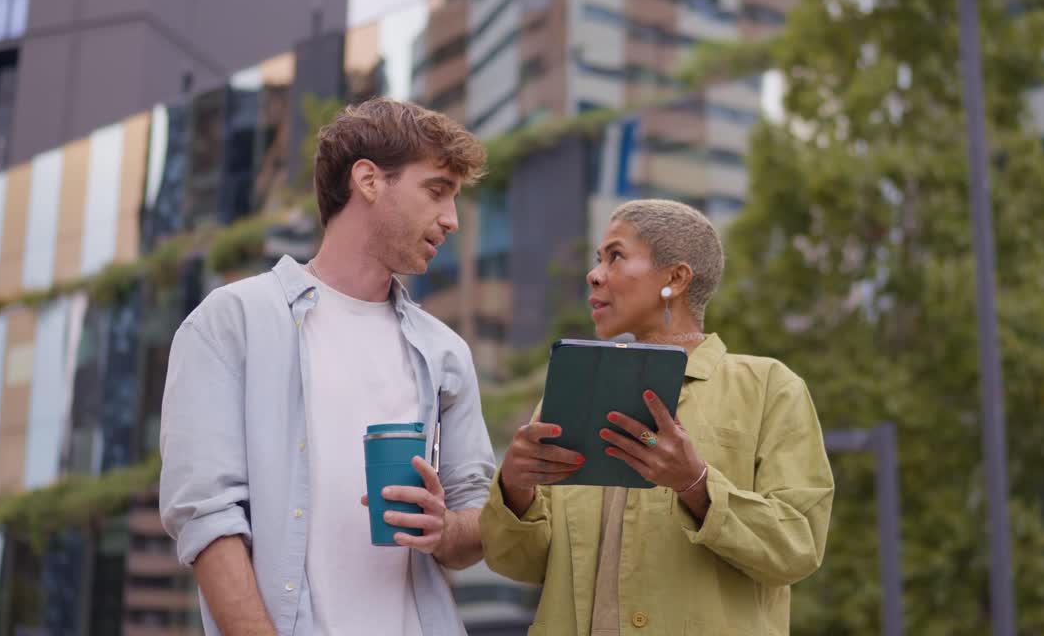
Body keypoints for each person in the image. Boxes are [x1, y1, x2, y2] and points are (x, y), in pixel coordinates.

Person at [160, 98, 496, 635]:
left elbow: (472, 526)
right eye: (436, 191)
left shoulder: (446, 352)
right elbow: (207, 518)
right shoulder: (233, 321)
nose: (451, 220)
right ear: (368, 180)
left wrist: (446, 526)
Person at [480, 198, 834, 635]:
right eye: (597, 259)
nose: (594, 274)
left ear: (675, 278)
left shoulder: (770, 389)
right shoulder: (570, 396)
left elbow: (797, 547)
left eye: (616, 256)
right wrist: (515, 489)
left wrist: (697, 486)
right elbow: (519, 563)